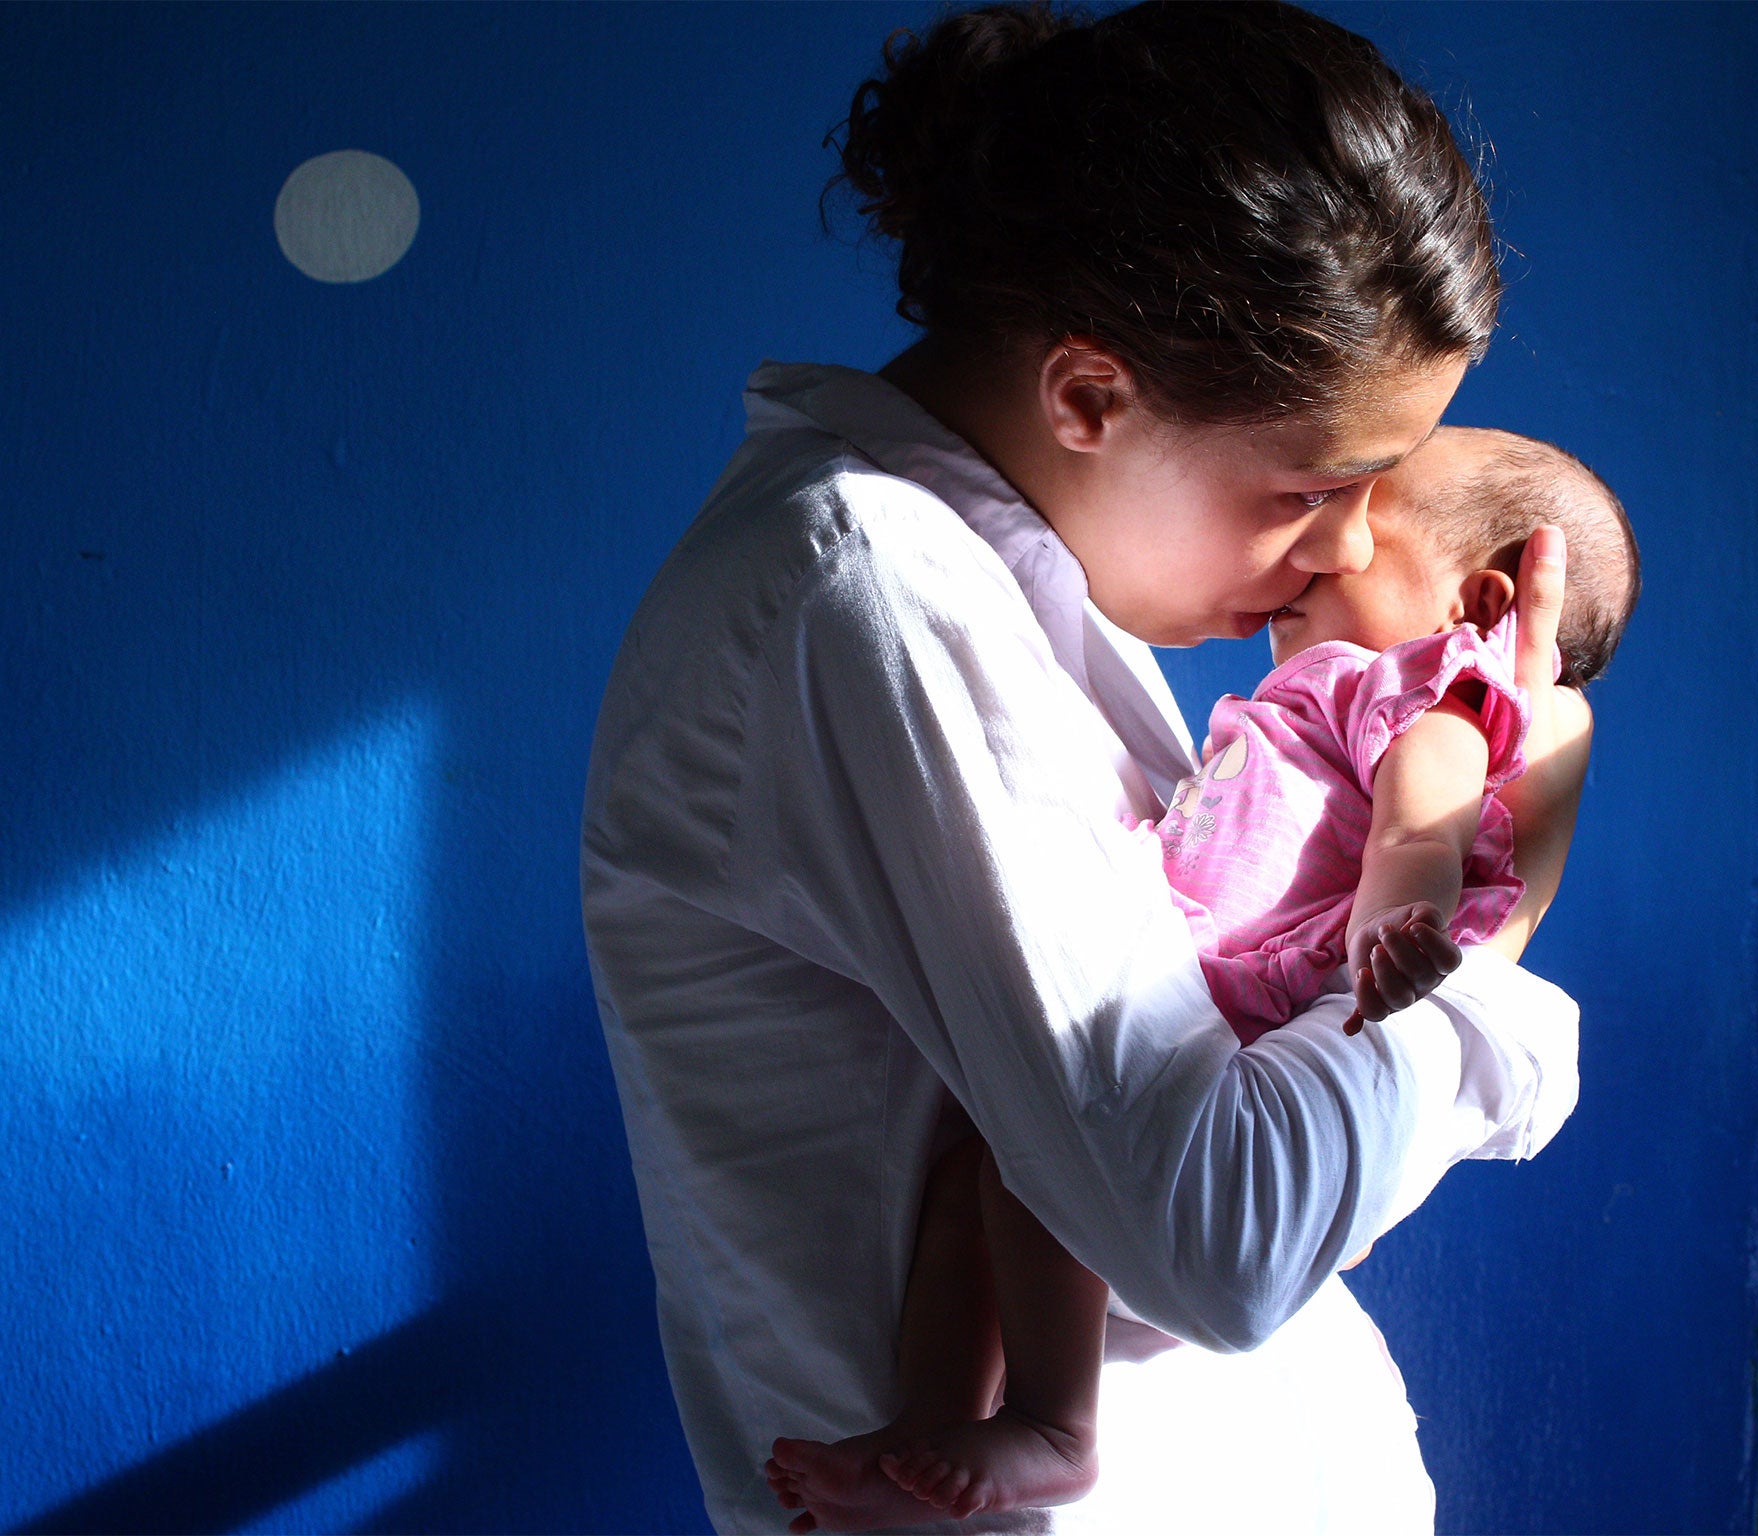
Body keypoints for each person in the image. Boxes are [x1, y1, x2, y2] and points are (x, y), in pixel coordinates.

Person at [579, 5, 1593, 1532]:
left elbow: (1266, 1169)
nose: (1351, 550)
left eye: (1378, 491)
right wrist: (1488, 940)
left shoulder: (1025, 600)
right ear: (1090, 396)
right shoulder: (878, 601)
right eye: (1312, 489)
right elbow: (1228, 1234)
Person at [767, 430, 1637, 1525]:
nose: (1328, 542)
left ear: (1473, 601)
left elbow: (1423, 814)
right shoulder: (1322, 690)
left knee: (1024, 1185)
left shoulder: (1426, 685)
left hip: (1256, 1004)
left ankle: (1049, 1424)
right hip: (1214, 999)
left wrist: (1398, 923)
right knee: (982, 1181)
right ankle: (933, 1429)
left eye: (1364, 525)